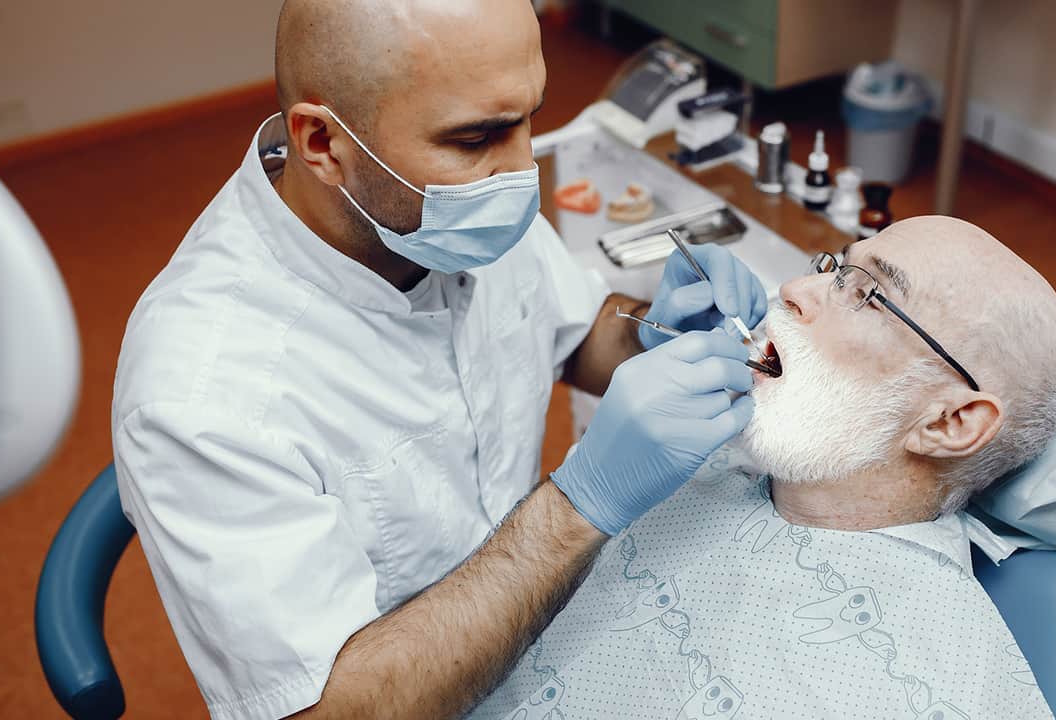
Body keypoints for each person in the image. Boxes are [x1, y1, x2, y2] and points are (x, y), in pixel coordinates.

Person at [111, 1, 767, 718]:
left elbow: (575, 336)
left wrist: (649, 329)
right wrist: (581, 506)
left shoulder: (448, 212)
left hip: (537, 633)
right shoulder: (207, 391)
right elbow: (326, 711)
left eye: (526, 120)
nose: (520, 172)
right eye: (478, 136)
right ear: (324, 143)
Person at [470, 216, 1056, 719]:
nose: (791, 288)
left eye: (866, 294)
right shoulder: (692, 461)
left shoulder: (941, 686)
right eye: (834, 267)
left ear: (952, 423)